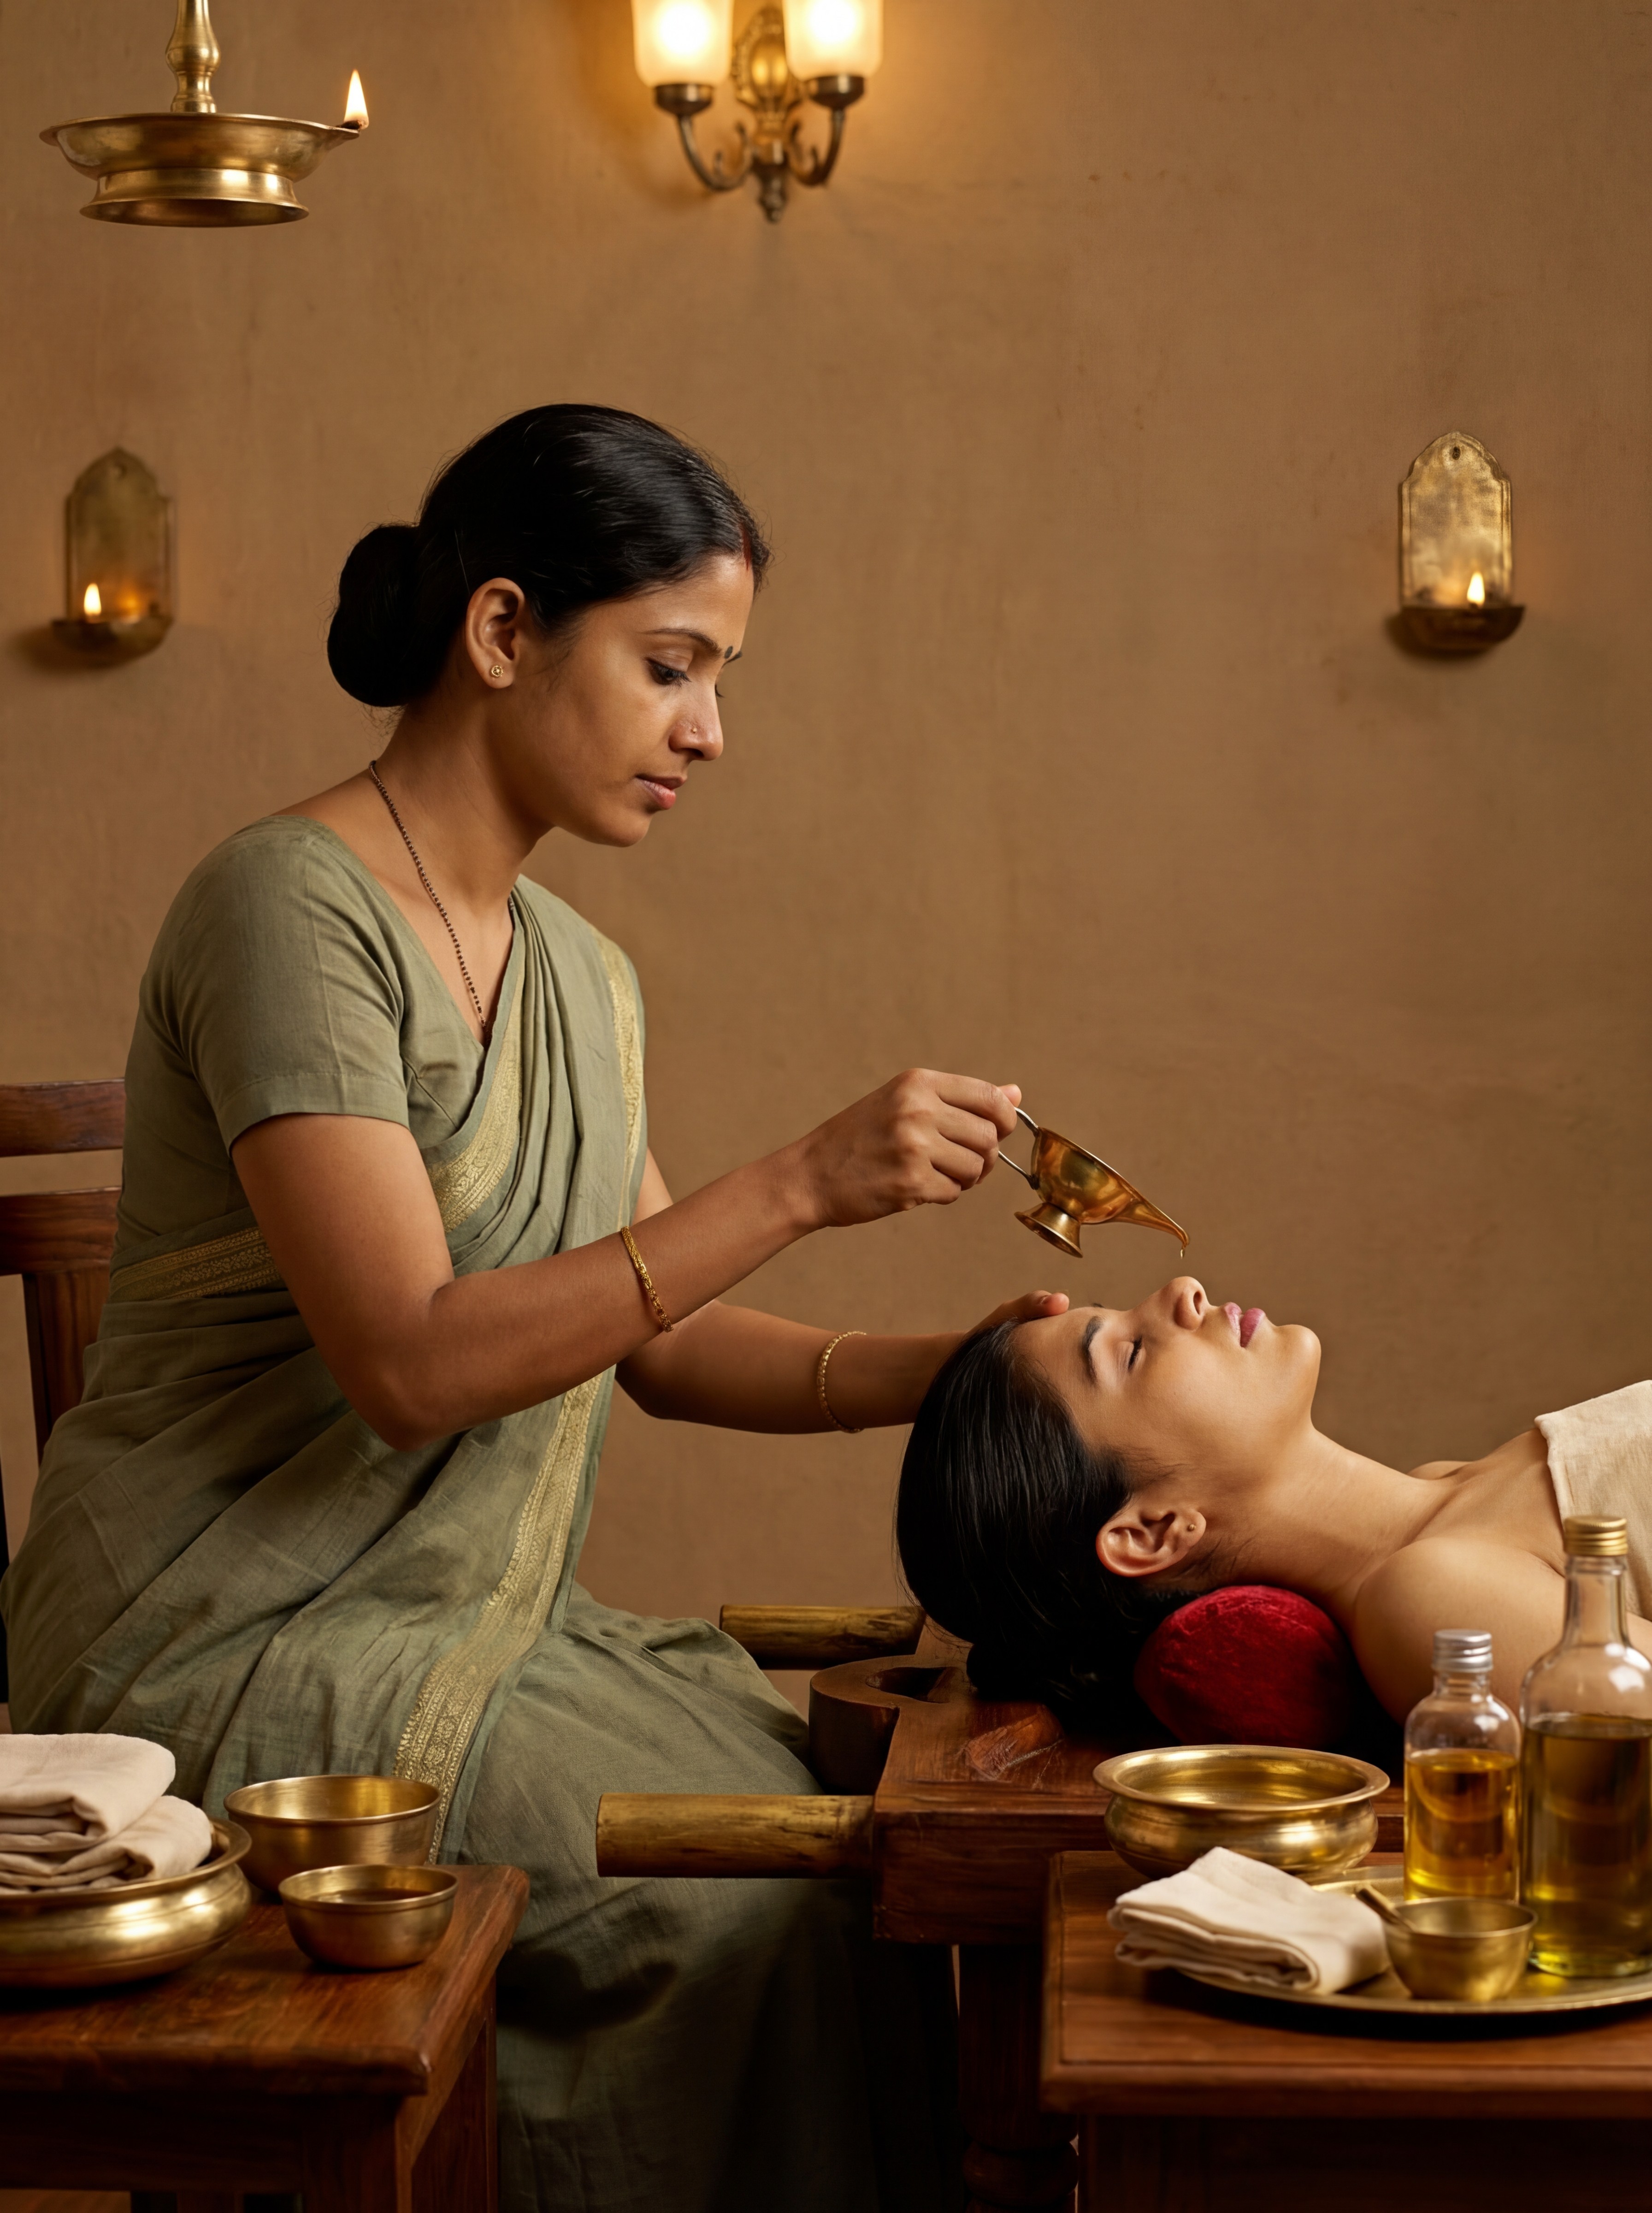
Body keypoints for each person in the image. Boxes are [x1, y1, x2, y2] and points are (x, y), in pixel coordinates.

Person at [0, 403, 1071, 2213]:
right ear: (502, 631)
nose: (709, 730)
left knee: (862, 1860)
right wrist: (800, 1182)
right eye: (671, 665)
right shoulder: (290, 909)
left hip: (456, 1633)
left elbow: (659, 1340)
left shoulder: (582, 975)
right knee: (728, 1904)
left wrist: (963, 1369)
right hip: (220, 1641)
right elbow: (409, 1363)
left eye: (718, 678)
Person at [897, 1273, 1652, 1728]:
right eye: (1131, 1351)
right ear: (1154, 1530)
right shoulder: (1429, 1595)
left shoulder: (1445, 1490)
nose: (1182, 1291)